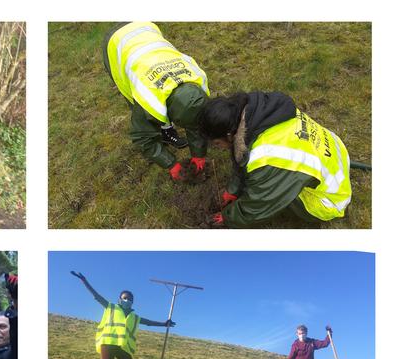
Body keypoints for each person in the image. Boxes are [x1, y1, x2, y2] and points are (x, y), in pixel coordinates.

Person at [197, 91, 352, 227]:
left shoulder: (267, 157)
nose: (218, 148)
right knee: (262, 180)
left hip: (331, 198)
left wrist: (229, 217)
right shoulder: (261, 113)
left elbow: (259, 204)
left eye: (217, 143)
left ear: (230, 135)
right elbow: (240, 157)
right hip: (335, 155)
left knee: (267, 190)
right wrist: (233, 190)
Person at [101, 22, 210, 182]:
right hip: (116, 44)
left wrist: (198, 154)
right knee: (138, 103)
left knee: (184, 112)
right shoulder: (147, 95)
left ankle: (166, 130)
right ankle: (164, 131)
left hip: (145, 27)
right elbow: (142, 137)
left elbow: (195, 118)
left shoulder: (197, 79)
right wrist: (170, 164)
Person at [72, 271, 175, 359]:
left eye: (130, 299)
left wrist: (164, 324)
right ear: (119, 299)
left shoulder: (134, 317)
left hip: (122, 347)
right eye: (125, 298)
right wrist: (84, 281)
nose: (127, 300)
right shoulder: (111, 307)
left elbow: (149, 323)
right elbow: (96, 296)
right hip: (108, 343)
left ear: (132, 302)